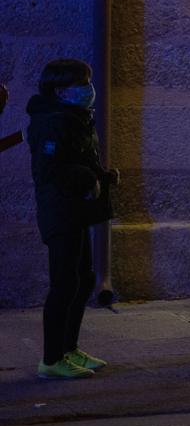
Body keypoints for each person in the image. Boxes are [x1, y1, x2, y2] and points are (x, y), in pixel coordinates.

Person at [27, 59, 119, 379]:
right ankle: (51, 359)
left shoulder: (75, 117)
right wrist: (85, 178)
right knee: (64, 284)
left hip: (74, 210)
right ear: (61, 90)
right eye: (81, 84)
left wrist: (100, 176)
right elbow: (51, 169)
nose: (87, 90)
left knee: (83, 278)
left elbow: (78, 159)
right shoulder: (51, 121)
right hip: (60, 212)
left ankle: (69, 348)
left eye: (88, 82)